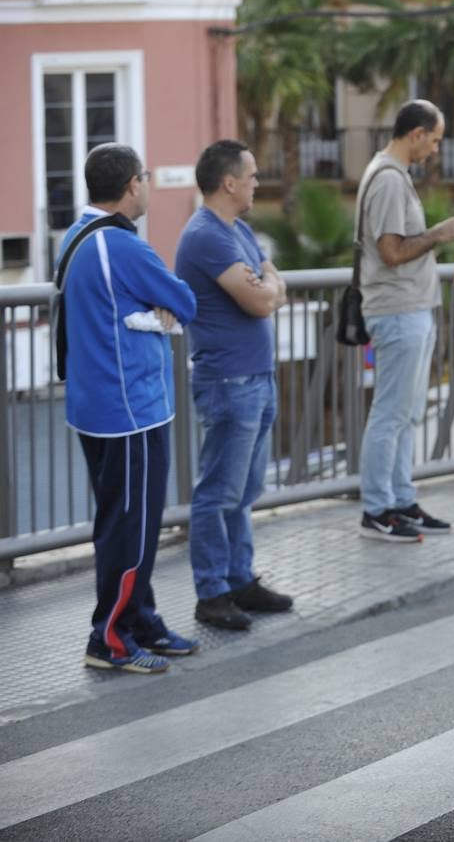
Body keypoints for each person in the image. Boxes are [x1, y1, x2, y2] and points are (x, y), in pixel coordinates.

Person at [60, 144, 199, 673]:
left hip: (97, 406)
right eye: (144, 177)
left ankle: (141, 619)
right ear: (132, 185)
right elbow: (185, 301)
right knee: (130, 528)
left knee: (124, 522)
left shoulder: (76, 236)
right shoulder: (123, 247)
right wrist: (157, 308)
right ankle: (110, 639)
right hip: (131, 410)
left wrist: (145, 307)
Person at [175, 140, 294, 630]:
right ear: (229, 182)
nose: (256, 183)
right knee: (217, 492)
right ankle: (212, 593)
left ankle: (238, 579)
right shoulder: (206, 236)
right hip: (229, 381)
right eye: (251, 175)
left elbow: (270, 283)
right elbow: (261, 300)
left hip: (255, 378)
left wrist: (269, 283)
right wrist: (269, 286)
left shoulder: (237, 230)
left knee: (243, 490)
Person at [355, 100, 454, 543]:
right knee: (392, 412)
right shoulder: (389, 180)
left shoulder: (391, 175)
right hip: (396, 309)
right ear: (415, 134)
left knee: (407, 411)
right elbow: (392, 251)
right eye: (433, 140)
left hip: (408, 308)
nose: (434, 150)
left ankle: (400, 499)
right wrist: (440, 233)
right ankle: (378, 507)